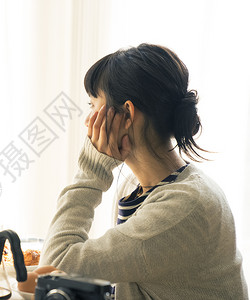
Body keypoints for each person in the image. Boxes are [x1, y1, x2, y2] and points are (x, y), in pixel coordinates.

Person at [39, 44, 248, 299]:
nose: (88, 119)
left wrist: (92, 170)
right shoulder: (136, 186)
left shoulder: (184, 206)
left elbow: (55, 267)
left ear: (127, 114)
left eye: (93, 105)